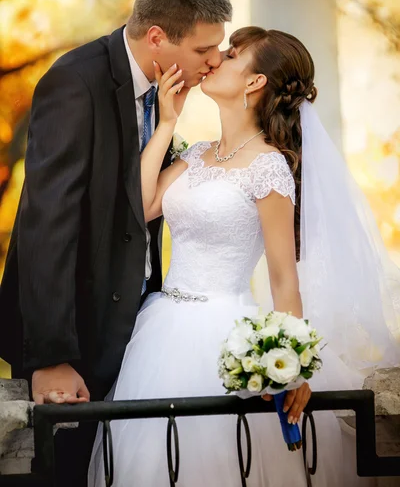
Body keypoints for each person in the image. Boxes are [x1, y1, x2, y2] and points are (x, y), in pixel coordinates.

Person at [89, 26, 399, 486]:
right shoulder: (197, 155)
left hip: (224, 333)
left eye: (231, 55)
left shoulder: (269, 167)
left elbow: (283, 277)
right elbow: (141, 205)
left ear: (254, 83)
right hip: (161, 330)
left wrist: (289, 359)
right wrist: (169, 123)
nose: (215, 59)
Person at [0, 0, 232, 486]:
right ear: (157, 38)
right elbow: (45, 225)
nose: (215, 60)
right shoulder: (75, 83)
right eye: (203, 50)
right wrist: (53, 356)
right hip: (75, 346)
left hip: (135, 339)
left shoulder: (163, 93)